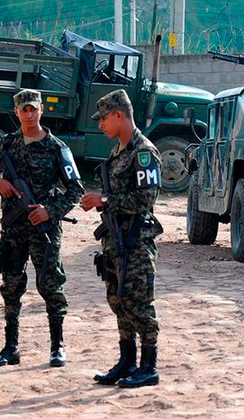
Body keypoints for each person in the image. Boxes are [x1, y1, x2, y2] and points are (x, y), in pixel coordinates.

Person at [0, 89, 84, 369]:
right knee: (11, 286)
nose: (29, 114)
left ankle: (57, 346)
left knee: (51, 285)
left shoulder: (56, 147)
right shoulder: (6, 144)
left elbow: (75, 190)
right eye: (23, 109)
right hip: (13, 229)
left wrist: (49, 211)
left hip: (44, 229)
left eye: (33, 108)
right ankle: (11, 347)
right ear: (16, 112)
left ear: (41, 109)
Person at [79, 89, 163, 388]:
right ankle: (127, 361)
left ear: (118, 114)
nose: (101, 124)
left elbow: (145, 200)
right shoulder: (118, 152)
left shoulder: (144, 152)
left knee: (139, 302)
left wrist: (104, 200)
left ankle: (149, 367)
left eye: (103, 118)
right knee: (119, 300)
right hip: (116, 239)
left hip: (136, 241)